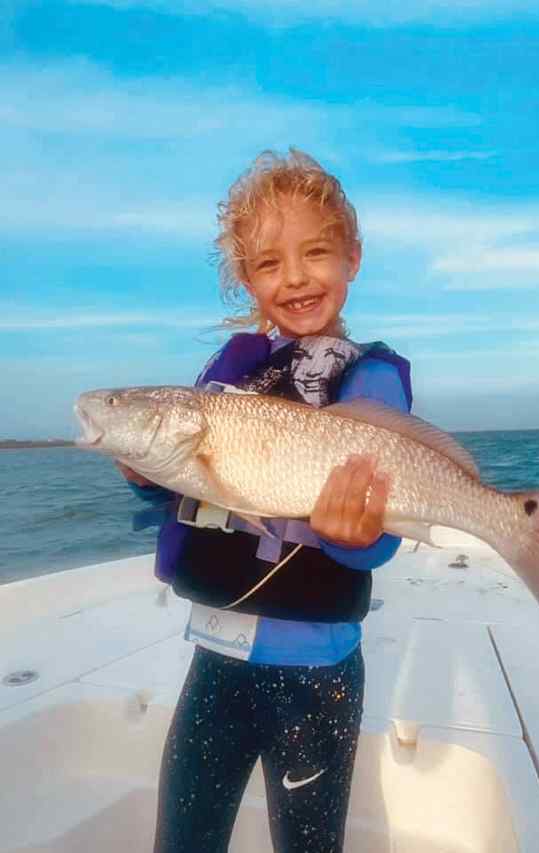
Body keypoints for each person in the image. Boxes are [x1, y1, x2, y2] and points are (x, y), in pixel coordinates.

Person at [120, 148, 411, 852]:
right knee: (183, 838)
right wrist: (149, 473)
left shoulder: (368, 382)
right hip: (214, 659)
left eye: (316, 252)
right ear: (246, 278)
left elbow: (386, 529)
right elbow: (200, 492)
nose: (295, 278)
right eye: (269, 263)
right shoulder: (226, 381)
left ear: (353, 258)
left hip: (314, 673)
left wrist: (355, 534)